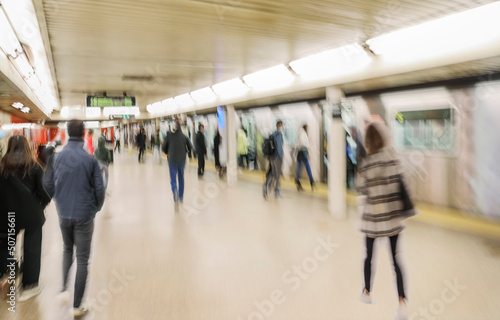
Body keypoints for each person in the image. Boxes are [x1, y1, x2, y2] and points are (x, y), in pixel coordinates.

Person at [44, 119, 105, 318]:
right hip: (84, 215)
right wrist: (96, 208)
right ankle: (78, 306)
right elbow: (100, 189)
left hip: (64, 214)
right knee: (83, 259)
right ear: (84, 133)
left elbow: (48, 184)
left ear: (68, 133)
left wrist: (59, 200)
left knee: (67, 249)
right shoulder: (90, 160)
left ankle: (63, 288)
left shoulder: (56, 159)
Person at [356, 121, 412, 320]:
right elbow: (401, 183)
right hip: (392, 218)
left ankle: (367, 293)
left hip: (372, 219)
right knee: (396, 260)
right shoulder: (393, 158)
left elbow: (360, 189)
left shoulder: (366, 164)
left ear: (368, 141)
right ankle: (402, 304)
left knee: (369, 256)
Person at [0, 135, 51, 301]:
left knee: (7, 246)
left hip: (8, 216)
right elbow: (44, 191)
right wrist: (43, 203)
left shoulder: (1, 166)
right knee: (32, 249)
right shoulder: (34, 166)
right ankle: (29, 286)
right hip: (31, 215)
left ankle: (8, 271)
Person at [162, 119, 193, 205]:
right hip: (182, 160)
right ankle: (180, 197)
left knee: (173, 179)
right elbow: (191, 147)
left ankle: (175, 190)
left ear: (174, 127)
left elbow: (163, 147)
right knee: (181, 178)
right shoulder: (184, 136)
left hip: (172, 160)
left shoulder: (169, 136)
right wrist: (186, 151)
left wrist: (167, 152)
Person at [263, 120, 284, 199]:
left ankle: (267, 189)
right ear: (279, 126)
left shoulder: (274, 135)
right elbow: (279, 147)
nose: (281, 127)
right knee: (276, 175)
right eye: (281, 125)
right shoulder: (278, 135)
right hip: (277, 157)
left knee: (271, 174)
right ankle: (275, 191)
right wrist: (280, 156)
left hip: (273, 157)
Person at [295, 124, 315, 191]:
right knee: (307, 166)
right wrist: (308, 145)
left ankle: (297, 180)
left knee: (299, 167)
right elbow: (303, 143)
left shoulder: (300, 133)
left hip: (300, 152)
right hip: (303, 152)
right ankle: (312, 181)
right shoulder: (303, 134)